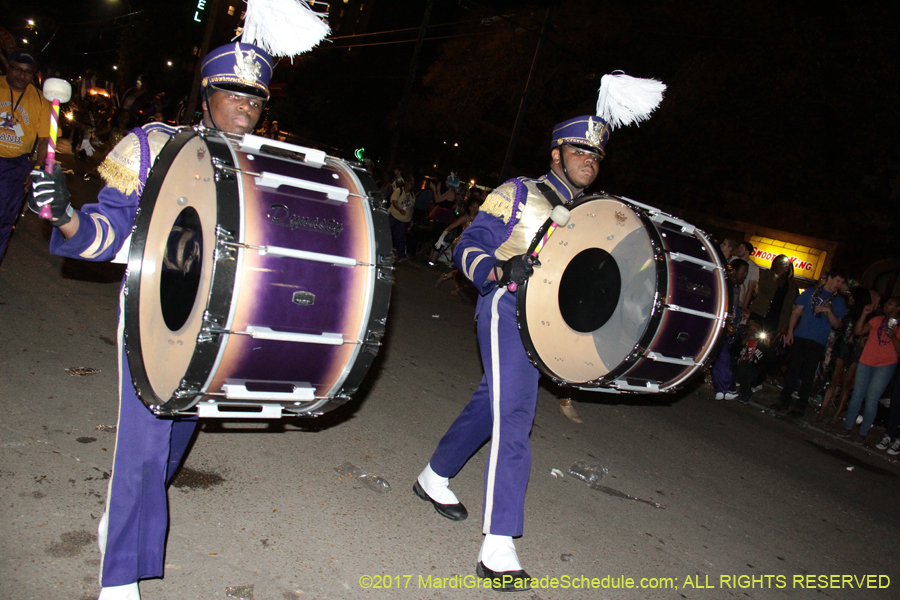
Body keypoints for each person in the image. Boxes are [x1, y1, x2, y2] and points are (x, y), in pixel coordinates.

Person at [28, 42, 273, 600]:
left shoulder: (260, 162)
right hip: (155, 312)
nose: (244, 107)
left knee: (174, 438)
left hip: (222, 324)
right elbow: (111, 233)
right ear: (207, 95)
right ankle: (120, 579)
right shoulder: (153, 145)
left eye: (254, 99)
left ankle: (124, 518)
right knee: (144, 442)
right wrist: (67, 218)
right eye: (232, 93)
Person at [413, 73, 665, 591]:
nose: (589, 161)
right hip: (506, 310)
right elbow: (469, 247)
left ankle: (434, 476)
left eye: (596, 156)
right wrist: (496, 271)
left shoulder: (598, 217)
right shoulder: (519, 193)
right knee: (516, 415)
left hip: (553, 328)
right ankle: (499, 544)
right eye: (580, 152)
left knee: (494, 401)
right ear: (556, 154)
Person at [774, 270, 847, 418]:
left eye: (841, 282)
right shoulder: (811, 292)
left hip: (817, 341)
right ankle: (784, 399)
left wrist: (828, 311)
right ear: (830, 278)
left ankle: (801, 406)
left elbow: (837, 324)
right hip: (801, 336)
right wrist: (790, 332)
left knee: (808, 373)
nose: (838, 285)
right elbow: (796, 312)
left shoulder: (838, 301)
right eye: (837, 280)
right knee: (792, 370)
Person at [0, 48, 50, 265]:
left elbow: (44, 139)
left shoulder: (40, 99)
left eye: (28, 72)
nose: (22, 75)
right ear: (8, 68)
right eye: (17, 69)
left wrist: (38, 168)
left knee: (4, 219)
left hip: (16, 166)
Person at [837, 297, 900, 443]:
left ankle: (863, 433)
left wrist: (893, 337)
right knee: (857, 395)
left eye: (890, 304)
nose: (886, 305)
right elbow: (858, 331)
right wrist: (865, 314)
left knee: (872, 399)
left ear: (897, 308)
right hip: (866, 360)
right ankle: (847, 427)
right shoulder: (878, 320)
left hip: (885, 365)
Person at [712, 258, 748, 400]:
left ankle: (722, 389)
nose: (744, 275)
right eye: (743, 272)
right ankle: (722, 388)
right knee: (722, 356)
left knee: (723, 357)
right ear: (733, 270)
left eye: (746, 273)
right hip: (720, 324)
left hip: (727, 325)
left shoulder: (736, 286)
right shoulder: (725, 283)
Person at [388, 174, 416, 262]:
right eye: (410, 183)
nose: (411, 185)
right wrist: (400, 209)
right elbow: (394, 201)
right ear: (406, 183)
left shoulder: (412, 195)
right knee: (388, 232)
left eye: (413, 184)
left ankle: (401, 255)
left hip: (404, 219)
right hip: (394, 215)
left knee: (401, 237)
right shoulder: (399, 191)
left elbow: (411, 208)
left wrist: (410, 221)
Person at [732, 241, 759, 322]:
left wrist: (744, 306)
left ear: (747, 251)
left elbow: (750, 289)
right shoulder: (734, 260)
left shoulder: (754, 267)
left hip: (741, 295)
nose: (738, 250)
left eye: (741, 248)